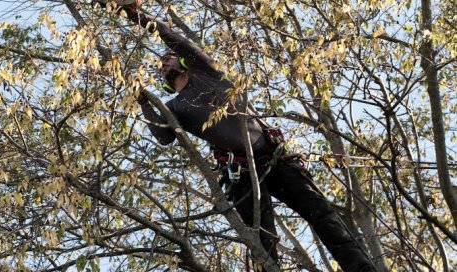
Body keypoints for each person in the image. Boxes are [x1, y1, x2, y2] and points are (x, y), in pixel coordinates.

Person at [116, 3, 377, 272]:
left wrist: (135, 14)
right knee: (264, 243)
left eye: (169, 57)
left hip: (275, 157)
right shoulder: (175, 107)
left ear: (182, 60)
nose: (164, 62)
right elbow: (163, 135)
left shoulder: (209, 73)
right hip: (239, 172)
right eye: (162, 63)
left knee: (324, 216)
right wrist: (142, 99)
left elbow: (174, 38)